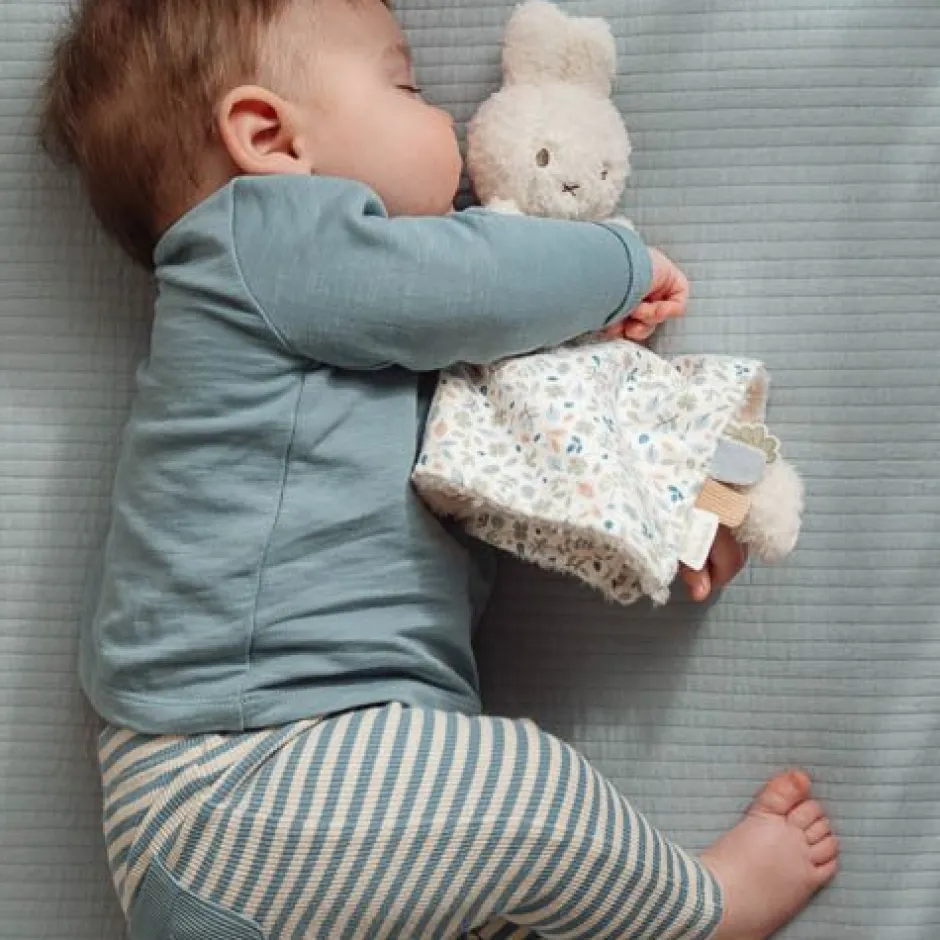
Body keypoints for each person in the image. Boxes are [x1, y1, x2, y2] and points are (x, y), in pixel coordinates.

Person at [41, 0, 838, 937]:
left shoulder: (321, 327)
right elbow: (470, 282)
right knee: (527, 794)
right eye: (406, 84)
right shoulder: (255, 238)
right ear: (269, 139)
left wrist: (666, 507)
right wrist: (612, 264)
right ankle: (701, 910)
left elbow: (522, 459)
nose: (447, 121)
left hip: (271, 809)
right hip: (242, 781)